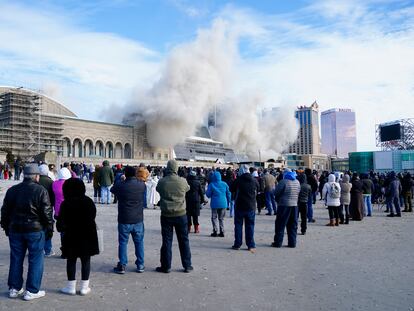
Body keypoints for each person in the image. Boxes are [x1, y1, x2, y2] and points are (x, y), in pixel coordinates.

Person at [1, 164, 53, 300]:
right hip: (35, 230)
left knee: (16, 258)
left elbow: (5, 211)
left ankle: (14, 288)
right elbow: (47, 213)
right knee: (36, 259)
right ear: (36, 176)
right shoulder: (41, 191)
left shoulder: (13, 190)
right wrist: (49, 230)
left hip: (16, 229)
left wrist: (6, 226)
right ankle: (32, 290)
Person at [57, 178, 99, 295]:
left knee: (71, 261)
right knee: (86, 261)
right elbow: (93, 216)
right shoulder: (88, 201)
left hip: (71, 236)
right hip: (87, 235)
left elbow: (60, 224)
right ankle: (84, 287)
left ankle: (71, 287)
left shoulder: (66, 203)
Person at [156, 160, 192, 273]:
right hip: (181, 214)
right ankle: (187, 265)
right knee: (184, 240)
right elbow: (187, 189)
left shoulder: (162, 182)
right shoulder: (183, 181)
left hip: (166, 214)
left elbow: (158, 190)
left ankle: (166, 266)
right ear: (176, 169)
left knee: (166, 241)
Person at [110, 166, 146, 274]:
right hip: (138, 218)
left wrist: (121, 180)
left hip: (124, 218)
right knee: (139, 242)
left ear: (125, 174)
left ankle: (122, 264)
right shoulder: (141, 185)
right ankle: (140, 264)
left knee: (123, 242)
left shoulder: (121, 185)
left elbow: (112, 189)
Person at [230, 165, 259, 252]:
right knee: (250, 226)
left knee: (238, 225)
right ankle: (250, 245)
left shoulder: (238, 180)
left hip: (240, 206)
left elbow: (231, 189)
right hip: (251, 206)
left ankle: (237, 244)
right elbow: (259, 188)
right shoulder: (254, 180)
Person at [272, 169, 300, 248]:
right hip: (294, 205)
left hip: (284, 205)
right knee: (293, 225)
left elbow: (276, 193)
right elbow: (298, 192)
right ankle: (292, 243)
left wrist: (278, 199)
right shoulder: (297, 182)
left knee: (280, 224)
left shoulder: (283, 182)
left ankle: (278, 242)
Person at [206, 171, 231, 237]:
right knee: (221, 218)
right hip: (223, 203)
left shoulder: (211, 184)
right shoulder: (224, 184)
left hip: (215, 203)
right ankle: (222, 231)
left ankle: (215, 231)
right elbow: (228, 194)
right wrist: (229, 202)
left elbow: (208, 195)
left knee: (214, 218)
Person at [38, 164, 56, 257]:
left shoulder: (35, 181)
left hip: (36, 208)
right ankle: (48, 249)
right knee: (48, 228)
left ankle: (37, 249)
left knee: (37, 228)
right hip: (48, 208)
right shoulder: (51, 182)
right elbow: (53, 197)